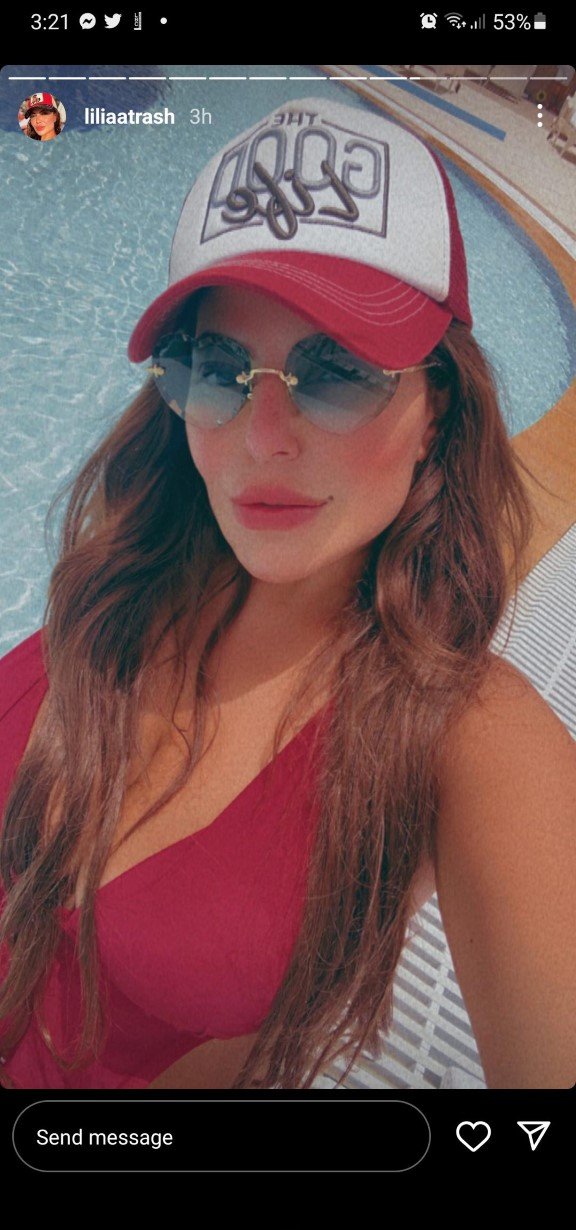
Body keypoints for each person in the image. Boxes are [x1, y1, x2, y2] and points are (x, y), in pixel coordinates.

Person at [1, 96, 575, 1091]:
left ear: (438, 408)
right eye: (217, 367)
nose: (260, 439)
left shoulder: (466, 737)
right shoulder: (134, 559)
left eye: (337, 371)